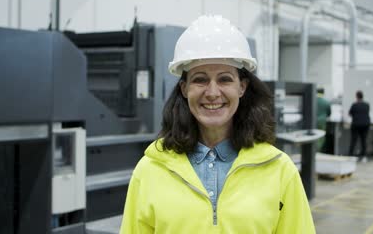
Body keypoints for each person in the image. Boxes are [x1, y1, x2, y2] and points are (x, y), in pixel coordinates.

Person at [120, 15, 315, 233]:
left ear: (242, 87)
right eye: (200, 79)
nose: (212, 93)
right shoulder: (150, 170)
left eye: (224, 79)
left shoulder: (280, 170)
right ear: (185, 89)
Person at [348, 90, 371, 162]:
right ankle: (364, 156)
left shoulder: (354, 105)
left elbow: (350, 114)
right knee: (364, 141)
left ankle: (351, 156)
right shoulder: (367, 105)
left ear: (357, 96)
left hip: (356, 124)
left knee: (353, 140)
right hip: (365, 125)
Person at [316, 87, 331, 152]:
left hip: (313, 121)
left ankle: (313, 150)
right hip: (322, 122)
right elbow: (329, 113)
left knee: (313, 136)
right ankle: (319, 150)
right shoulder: (326, 102)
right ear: (323, 93)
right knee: (321, 136)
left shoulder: (313, 101)